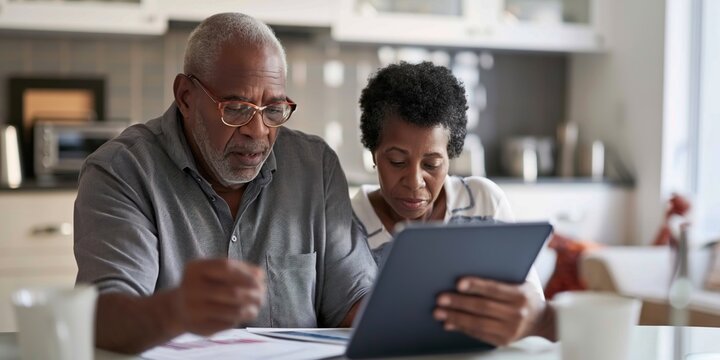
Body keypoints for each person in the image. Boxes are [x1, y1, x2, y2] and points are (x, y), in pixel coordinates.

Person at [74, 13, 376, 354]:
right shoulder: (122, 172)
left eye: (273, 110)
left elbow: (355, 303)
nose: (258, 130)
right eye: (236, 109)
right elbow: (101, 319)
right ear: (186, 96)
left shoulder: (315, 167)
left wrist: (431, 312)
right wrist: (175, 310)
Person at [352, 61, 556, 346]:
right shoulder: (349, 222)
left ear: (450, 157)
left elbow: (530, 301)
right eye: (397, 161)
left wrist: (533, 315)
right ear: (373, 152)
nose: (414, 181)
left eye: (432, 164)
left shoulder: (483, 202)